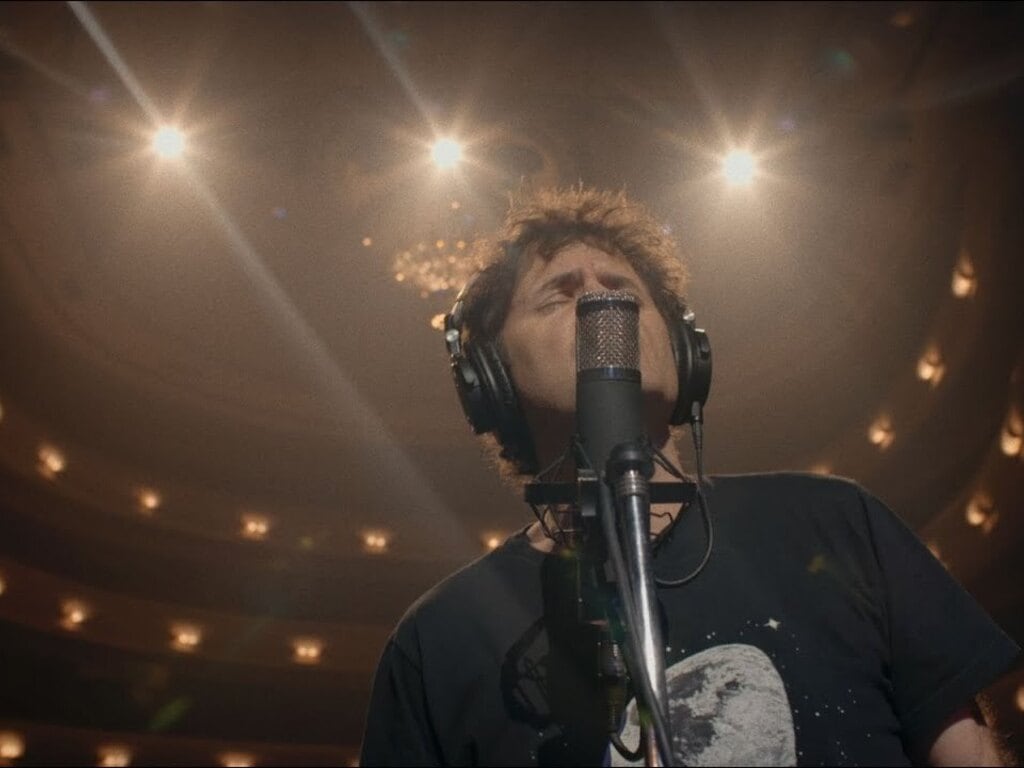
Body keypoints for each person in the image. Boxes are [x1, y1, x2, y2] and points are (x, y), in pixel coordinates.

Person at [359, 187, 1020, 766]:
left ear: (686, 351)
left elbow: (968, 754)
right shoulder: (438, 641)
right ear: (491, 383)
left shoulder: (834, 522)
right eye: (559, 294)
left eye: (621, 290)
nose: (600, 305)